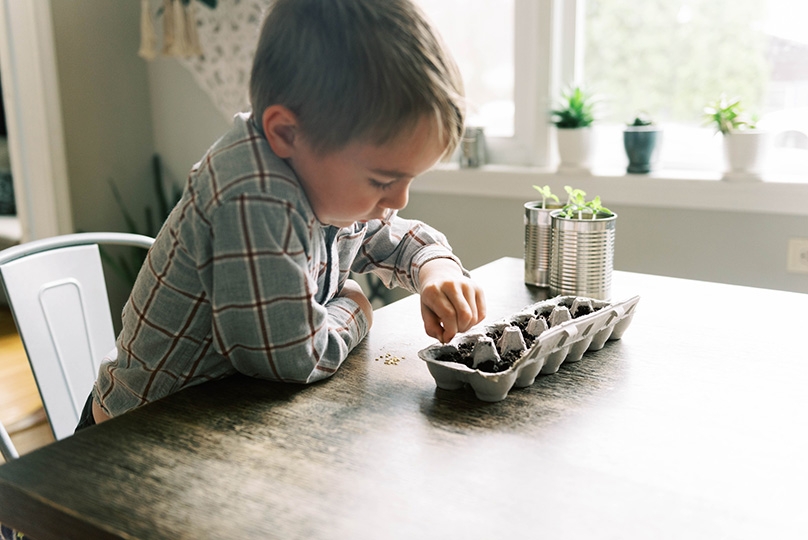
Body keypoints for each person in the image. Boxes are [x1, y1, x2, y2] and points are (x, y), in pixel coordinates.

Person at [79, 0, 486, 429]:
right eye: (383, 181)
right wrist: (356, 305)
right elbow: (294, 359)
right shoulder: (251, 196)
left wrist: (435, 268)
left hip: (224, 419)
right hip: (137, 438)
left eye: (409, 180)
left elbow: (388, 236)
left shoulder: (321, 176)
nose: (399, 200)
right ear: (285, 133)